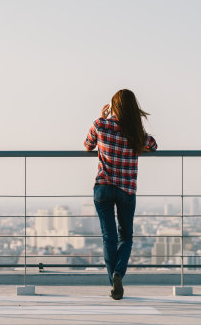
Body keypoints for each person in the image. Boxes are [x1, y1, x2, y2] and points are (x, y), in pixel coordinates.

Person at [84, 89, 157, 300]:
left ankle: (113, 283)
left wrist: (101, 117)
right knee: (125, 237)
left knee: (109, 237)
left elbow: (88, 145)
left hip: (103, 187)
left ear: (113, 107)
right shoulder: (135, 132)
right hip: (126, 189)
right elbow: (153, 145)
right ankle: (118, 274)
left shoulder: (101, 125)